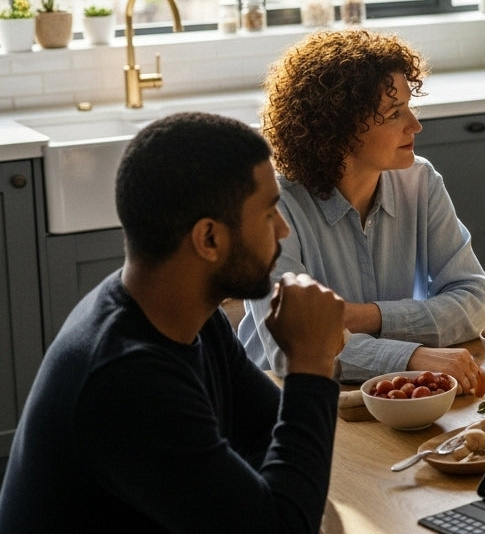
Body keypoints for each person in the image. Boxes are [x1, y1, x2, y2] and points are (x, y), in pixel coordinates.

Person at [0, 113, 346, 532]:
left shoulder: (191, 317)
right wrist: (311, 361)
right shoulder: (126, 376)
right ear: (209, 239)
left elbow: (266, 436)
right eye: (270, 212)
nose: (284, 229)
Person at [238, 28, 485, 395]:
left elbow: (476, 301)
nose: (415, 125)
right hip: (284, 405)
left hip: (395, 398)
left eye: (409, 106)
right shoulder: (274, 206)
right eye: (394, 113)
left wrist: (367, 317)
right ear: (338, 127)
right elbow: (291, 349)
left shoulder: (420, 181)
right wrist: (412, 357)